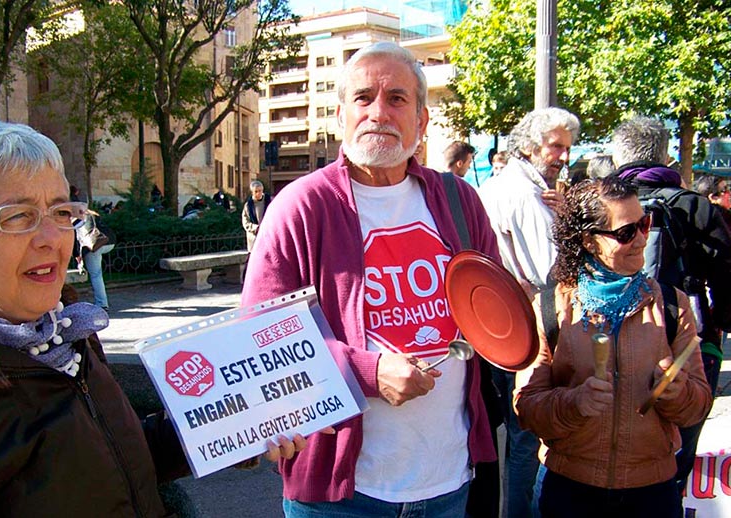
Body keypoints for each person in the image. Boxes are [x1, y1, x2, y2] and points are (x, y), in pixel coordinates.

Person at [241, 41, 499, 517]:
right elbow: (261, 340)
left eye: (397, 98)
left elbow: (494, 311)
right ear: (341, 115)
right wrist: (368, 372)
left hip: (448, 480)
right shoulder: (301, 208)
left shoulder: (460, 200)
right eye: (363, 98)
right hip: (340, 495)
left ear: (421, 121)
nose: (378, 112)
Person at [0, 119, 196, 516]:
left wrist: (229, 428)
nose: (52, 238)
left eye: (60, 211)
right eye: (17, 216)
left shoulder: (71, 330)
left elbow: (113, 461)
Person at [515, 177, 711, 518]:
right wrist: (575, 403)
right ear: (589, 241)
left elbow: (697, 407)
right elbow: (528, 408)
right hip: (571, 490)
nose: (640, 240)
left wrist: (677, 393)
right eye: (625, 232)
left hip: (652, 493)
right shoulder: (550, 307)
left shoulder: (671, 305)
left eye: (644, 224)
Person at [611, 116, 731, 493]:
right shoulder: (698, 207)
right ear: (665, 154)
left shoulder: (602, 202)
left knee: (611, 442)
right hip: (688, 344)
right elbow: (727, 277)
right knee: (675, 452)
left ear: (619, 155)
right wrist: (718, 327)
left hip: (607, 337)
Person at [477, 106, 580, 518]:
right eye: (556, 147)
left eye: (567, 148)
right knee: (525, 437)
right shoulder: (525, 194)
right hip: (526, 328)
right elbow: (551, 271)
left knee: (509, 434)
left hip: (501, 327)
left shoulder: (508, 186)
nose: (563, 156)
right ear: (530, 145)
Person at [74, 209, 113, 310]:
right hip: (108, 242)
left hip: (95, 245)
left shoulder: (76, 219)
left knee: (96, 275)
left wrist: (78, 255)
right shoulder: (93, 215)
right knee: (97, 274)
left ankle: (102, 303)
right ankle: (102, 302)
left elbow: (77, 238)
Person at [241, 180, 271, 251]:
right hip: (254, 239)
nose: (258, 193)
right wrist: (255, 228)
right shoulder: (248, 206)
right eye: (256, 191)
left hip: (267, 237)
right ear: (252, 192)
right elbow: (245, 222)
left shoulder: (269, 201)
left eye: (260, 191)